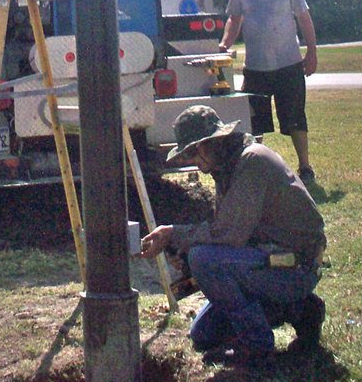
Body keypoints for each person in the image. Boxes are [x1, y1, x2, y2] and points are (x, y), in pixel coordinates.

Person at [140, 104, 326, 365]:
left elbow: (228, 236)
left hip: (296, 267)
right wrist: (184, 253)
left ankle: (256, 344)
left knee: (205, 259)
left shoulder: (253, 161)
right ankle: (301, 310)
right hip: (272, 263)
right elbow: (230, 234)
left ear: (214, 141)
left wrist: (174, 235)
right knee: (204, 334)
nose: (196, 162)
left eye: (195, 151)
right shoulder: (227, 169)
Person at [219, 0, 318, 181]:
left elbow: (304, 18)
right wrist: (225, 44)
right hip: (256, 67)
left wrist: (312, 52)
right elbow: (234, 19)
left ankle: (305, 167)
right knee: (255, 123)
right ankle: (251, 168)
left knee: (295, 117)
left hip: (289, 64)